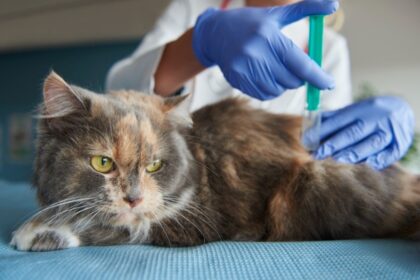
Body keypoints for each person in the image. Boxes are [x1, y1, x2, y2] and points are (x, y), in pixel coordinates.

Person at [106, 0, 414, 170]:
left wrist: (377, 133)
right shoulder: (196, 7)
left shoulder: (330, 48)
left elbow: (332, 155)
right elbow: (119, 90)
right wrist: (201, 43)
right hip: (175, 185)